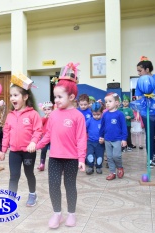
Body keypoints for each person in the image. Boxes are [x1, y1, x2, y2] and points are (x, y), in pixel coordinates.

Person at [35, 66, 87, 229]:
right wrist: (38, 145)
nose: (55, 100)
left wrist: (81, 158)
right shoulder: (54, 115)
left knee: (70, 185)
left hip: (71, 159)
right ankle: (57, 213)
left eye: (59, 97)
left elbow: (81, 138)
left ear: (71, 96)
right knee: (53, 185)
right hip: (55, 157)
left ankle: (71, 213)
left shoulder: (78, 116)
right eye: (54, 96)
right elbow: (48, 134)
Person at [0, 74, 42, 207]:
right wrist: (3, 150)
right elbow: (6, 133)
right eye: (11, 95)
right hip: (14, 152)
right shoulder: (10, 116)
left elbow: (38, 130)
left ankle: (33, 194)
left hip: (28, 151)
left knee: (29, 173)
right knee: (14, 175)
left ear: (25, 97)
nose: (12, 98)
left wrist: (34, 142)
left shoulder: (33, 114)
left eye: (16, 95)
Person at [99, 93, 127, 180]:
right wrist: (101, 136)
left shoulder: (120, 114)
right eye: (106, 101)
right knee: (109, 157)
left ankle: (119, 167)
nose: (107, 103)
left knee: (116, 156)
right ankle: (112, 172)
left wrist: (124, 139)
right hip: (107, 139)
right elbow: (102, 126)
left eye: (110, 101)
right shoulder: (105, 114)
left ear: (117, 103)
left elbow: (124, 127)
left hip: (118, 139)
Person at [85, 102, 104, 175]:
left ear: (102, 113)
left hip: (100, 142)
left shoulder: (103, 121)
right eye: (94, 115)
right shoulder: (89, 120)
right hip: (90, 142)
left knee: (99, 155)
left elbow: (106, 131)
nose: (96, 116)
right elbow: (84, 129)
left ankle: (98, 167)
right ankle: (90, 167)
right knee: (90, 155)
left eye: (98, 114)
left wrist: (104, 139)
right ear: (92, 113)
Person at [37, 101, 54, 171]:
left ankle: (54, 165)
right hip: (45, 137)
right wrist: (45, 118)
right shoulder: (43, 118)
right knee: (43, 151)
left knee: (53, 151)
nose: (47, 111)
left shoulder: (54, 117)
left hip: (53, 137)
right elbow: (40, 124)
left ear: (52, 109)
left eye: (49, 109)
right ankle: (42, 164)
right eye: (45, 110)